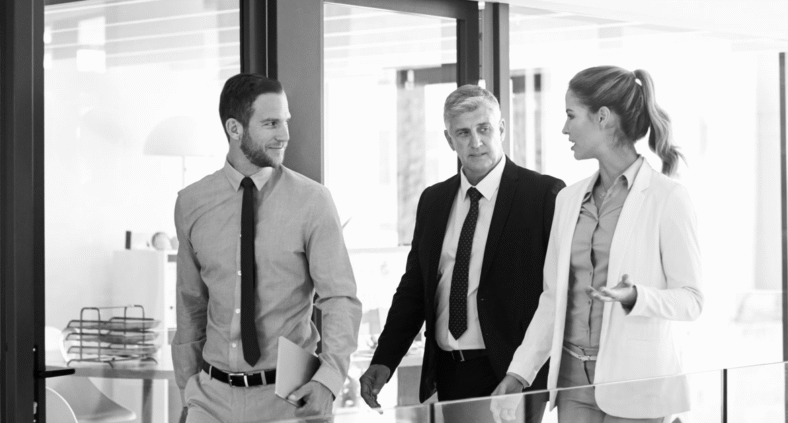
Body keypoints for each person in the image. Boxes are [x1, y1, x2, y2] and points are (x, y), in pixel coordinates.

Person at [492, 66, 704, 422]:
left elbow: (692, 300)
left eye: (571, 115)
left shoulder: (668, 198)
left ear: (602, 117)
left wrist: (636, 296)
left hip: (637, 383)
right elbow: (552, 299)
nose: (565, 128)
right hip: (572, 382)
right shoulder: (568, 199)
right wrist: (520, 372)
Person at [359, 85, 564, 421]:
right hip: (450, 371)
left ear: (501, 129)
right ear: (448, 139)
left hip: (513, 372)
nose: (476, 142)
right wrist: (384, 360)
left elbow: (557, 293)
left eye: (484, 129)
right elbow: (414, 290)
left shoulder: (543, 195)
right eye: (463, 133)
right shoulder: (434, 201)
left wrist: (526, 372)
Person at [172, 73, 362, 423]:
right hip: (209, 400)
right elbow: (190, 304)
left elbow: (340, 299)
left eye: (285, 121)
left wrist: (328, 380)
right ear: (234, 128)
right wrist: (187, 389)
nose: (285, 135)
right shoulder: (191, 203)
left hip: (288, 400)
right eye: (271, 123)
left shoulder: (313, 201)